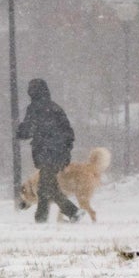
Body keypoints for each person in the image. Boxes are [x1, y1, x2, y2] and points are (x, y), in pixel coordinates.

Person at [16, 78, 81, 223]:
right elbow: (69, 132)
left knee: (45, 188)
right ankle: (71, 213)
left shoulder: (34, 108)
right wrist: (66, 151)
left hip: (46, 153)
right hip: (59, 154)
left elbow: (28, 129)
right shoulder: (55, 108)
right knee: (49, 187)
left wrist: (19, 131)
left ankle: (44, 218)